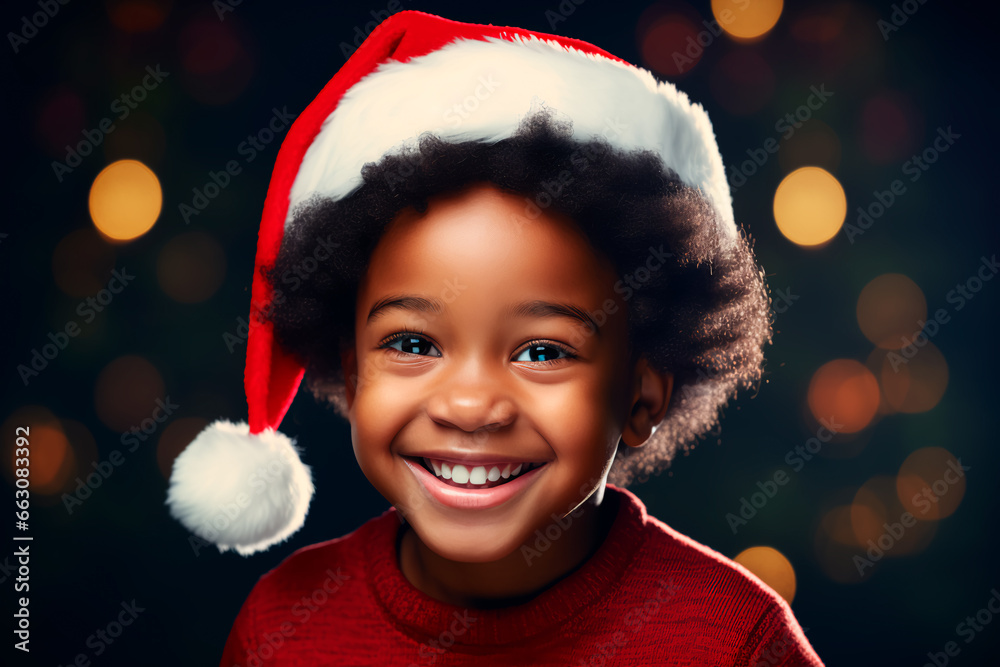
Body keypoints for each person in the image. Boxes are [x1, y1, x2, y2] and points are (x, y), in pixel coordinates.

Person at [166, 10, 824, 665]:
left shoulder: (730, 639)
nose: (470, 405)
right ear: (353, 366)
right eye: (414, 344)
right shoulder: (284, 627)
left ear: (643, 392)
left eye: (542, 351)